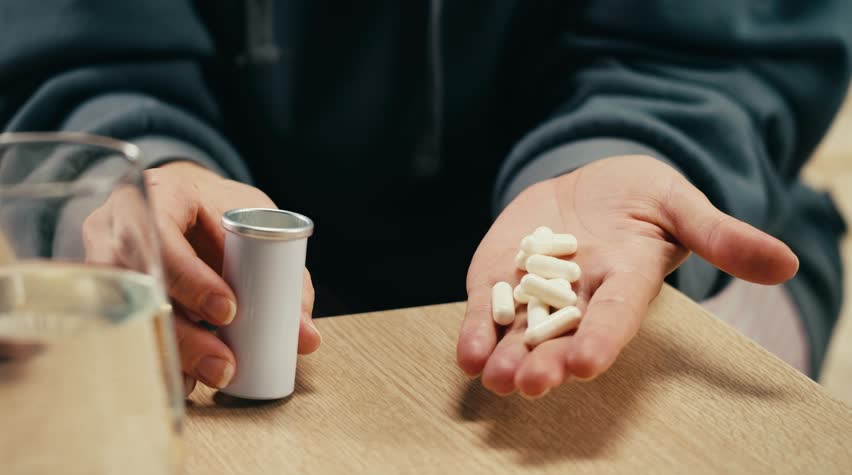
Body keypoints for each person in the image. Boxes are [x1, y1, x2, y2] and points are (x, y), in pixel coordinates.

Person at [2, 1, 850, 399]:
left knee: (668, 421)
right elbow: (75, 46)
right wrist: (138, 168)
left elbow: (713, 51)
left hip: (644, 224)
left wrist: (634, 154)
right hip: (238, 255)